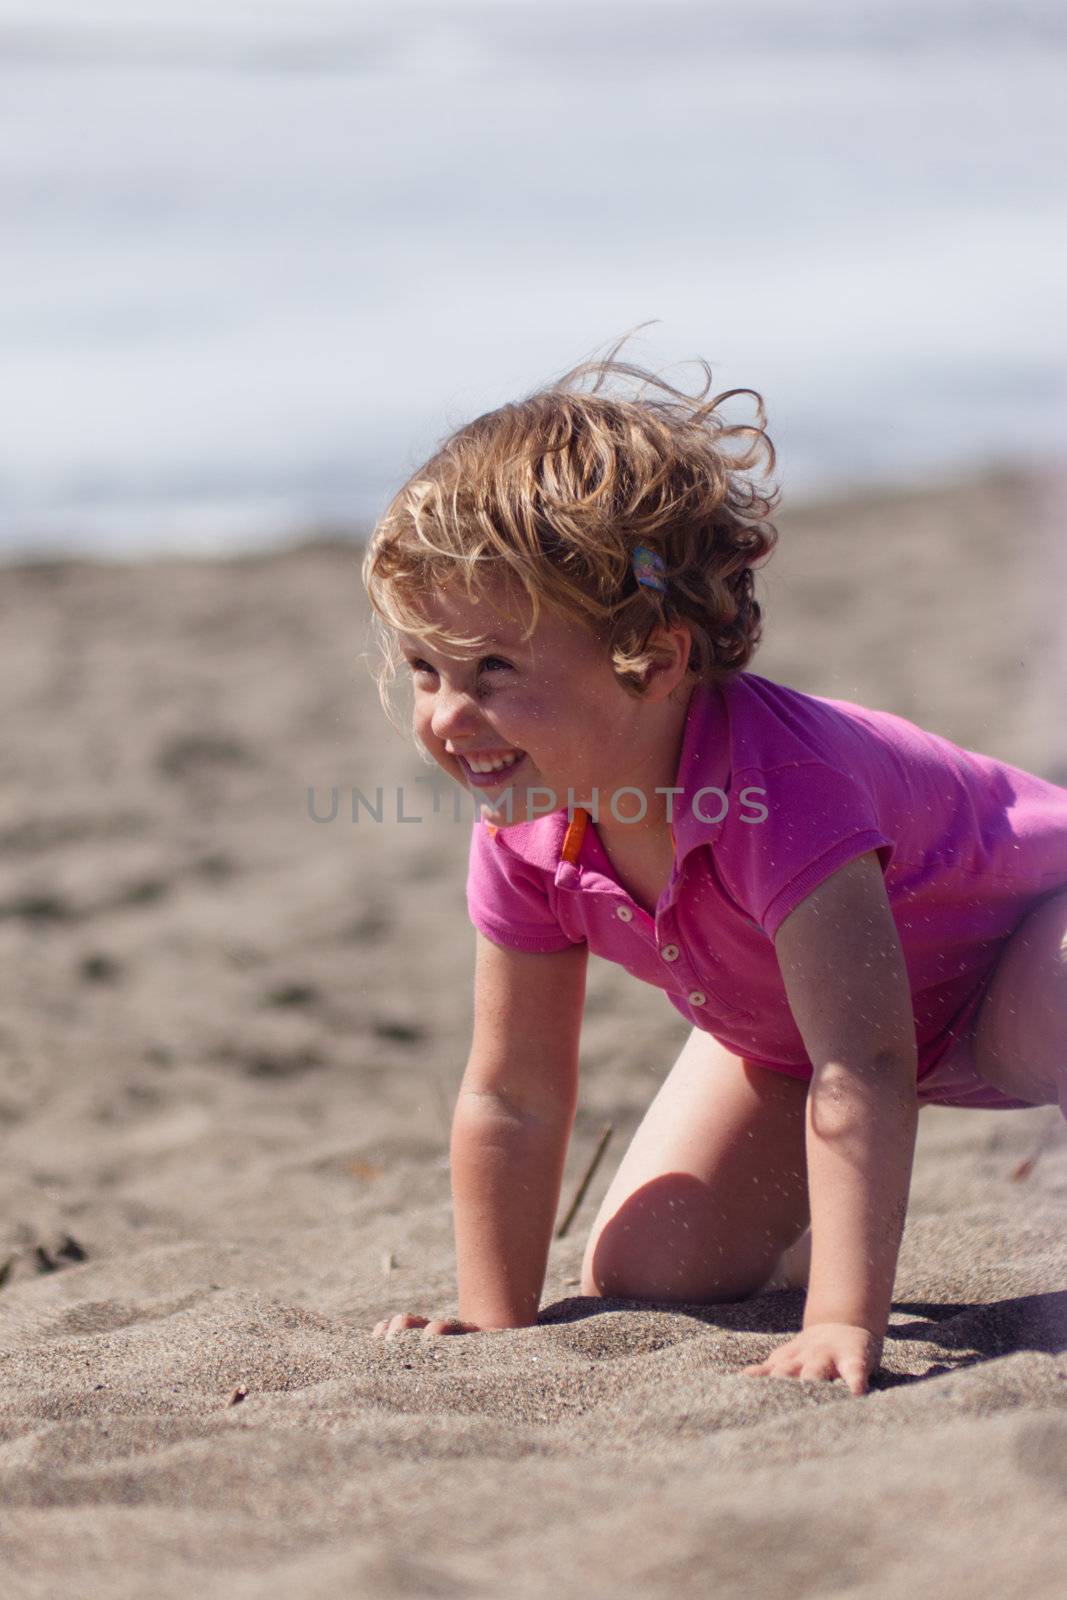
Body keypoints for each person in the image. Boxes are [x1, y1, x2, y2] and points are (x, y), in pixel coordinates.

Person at [363, 333, 1067, 1396]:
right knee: (654, 1266)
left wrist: (839, 1319)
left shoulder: (776, 787)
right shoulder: (526, 825)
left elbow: (862, 1065)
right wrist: (492, 1317)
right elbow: (513, 1092)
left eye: (494, 669)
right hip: (817, 1031)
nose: (449, 716)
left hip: (1016, 954)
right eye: (425, 669)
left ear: (650, 656)